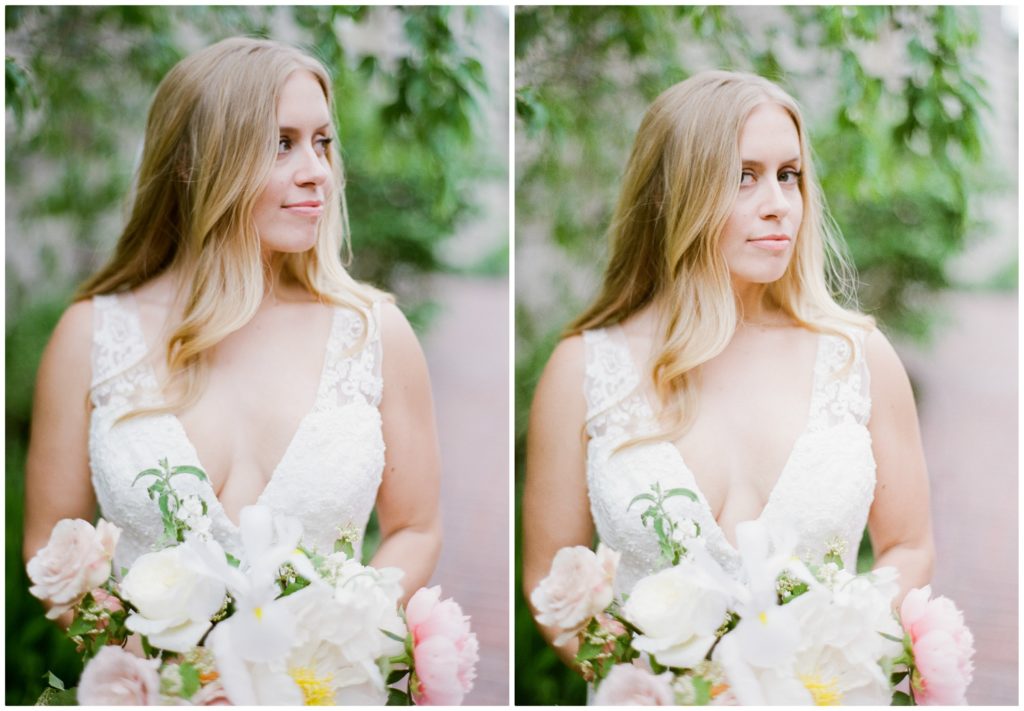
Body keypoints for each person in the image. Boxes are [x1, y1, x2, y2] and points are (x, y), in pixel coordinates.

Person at [23, 37, 443, 631]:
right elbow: (49, 545)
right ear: (194, 163)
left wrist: (338, 644)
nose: (317, 172)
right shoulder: (90, 335)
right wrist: (149, 666)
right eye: (281, 144)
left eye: (322, 142)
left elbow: (415, 528)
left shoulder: (375, 335)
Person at [522, 70, 935, 665]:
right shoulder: (582, 369)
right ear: (673, 194)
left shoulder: (859, 359)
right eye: (744, 178)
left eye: (788, 176)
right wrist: (653, 687)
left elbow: (909, 547)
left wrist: (830, 665)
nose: (778, 206)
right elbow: (548, 582)